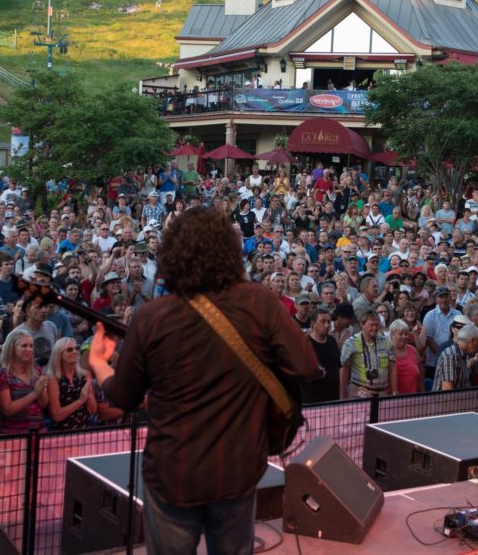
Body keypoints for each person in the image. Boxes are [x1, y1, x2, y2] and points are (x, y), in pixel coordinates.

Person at [88, 206, 318, 554]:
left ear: (172, 255)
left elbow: (123, 397)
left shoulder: (152, 317)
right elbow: (306, 366)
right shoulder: (259, 302)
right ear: (229, 251)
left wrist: (98, 364)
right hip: (236, 467)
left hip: (172, 471)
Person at [0, 328, 49, 434]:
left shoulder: (37, 371)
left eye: (31, 346)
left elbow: (43, 404)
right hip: (13, 434)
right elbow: (7, 410)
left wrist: (41, 391)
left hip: (38, 431)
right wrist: (35, 393)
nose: (29, 349)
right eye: (24, 346)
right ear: (12, 349)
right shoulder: (4, 374)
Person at [340, 309, 397, 398]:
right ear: (362, 324)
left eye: (377, 325)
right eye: (371, 325)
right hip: (358, 393)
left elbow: (392, 368)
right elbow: (344, 370)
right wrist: (343, 395)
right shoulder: (350, 343)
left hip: (381, 393)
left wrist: (395, 392)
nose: (375, 328)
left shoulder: (387, 342)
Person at [46, 337, 95, 431]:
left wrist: (89, 395)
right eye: (69, 350)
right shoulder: (53, 379)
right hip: (62, 433)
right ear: (59, 355)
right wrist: (81, 400)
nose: (75, 351)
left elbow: (93, 410)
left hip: (84, 429)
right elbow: (56, 415)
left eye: (76, 348)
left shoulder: (85, 375)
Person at [301, 306, 341, 403]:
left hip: (333, 397)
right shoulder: (304, 344)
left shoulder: (332, 341)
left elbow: (338, 367)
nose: (327, 325)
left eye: (328, 322)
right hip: (312, 399)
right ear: (313, 323)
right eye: (322, 322)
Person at [432, 324, 478, 391]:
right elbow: (447, 390)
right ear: (472, 341)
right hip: (447, 400)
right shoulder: (450, 356)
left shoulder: (464, 354)